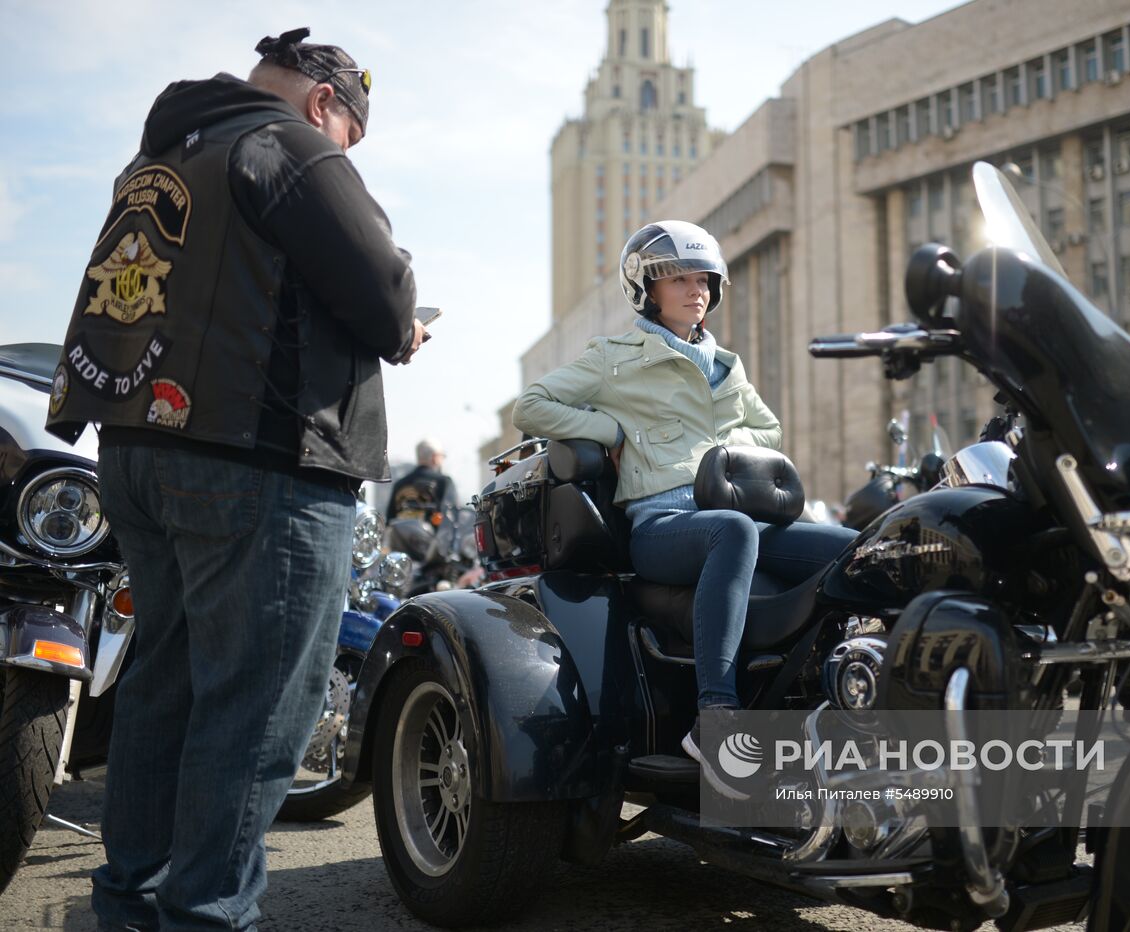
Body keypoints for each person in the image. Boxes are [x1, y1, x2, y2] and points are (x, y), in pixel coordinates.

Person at [45, 28, 423, 930]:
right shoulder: (288, 143)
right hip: (258, 460)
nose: (346, 154)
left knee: (163, 690)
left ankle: (131, 905)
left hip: (141, 449)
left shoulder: (164, 153)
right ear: (325, 102)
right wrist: (407, 330)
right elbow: (383, 294)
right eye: (351, 137)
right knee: (254, 711)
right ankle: (210, 916)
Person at [513, 220, 857, 798]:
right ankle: (716, 718)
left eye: (703, 280)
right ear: (647, 288)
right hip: (663, 525)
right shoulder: (614, 357)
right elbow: (533, 405)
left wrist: (728, 459)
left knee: (859, 546)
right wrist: (609, 428)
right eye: (678, 280)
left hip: (739, 514)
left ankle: (850, 700)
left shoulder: (728, 365)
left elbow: (768, 431)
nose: (696, 290)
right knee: (733, 534)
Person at [388, 437, 458, 520]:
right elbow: (453, 515)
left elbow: (390, 518)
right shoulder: (444, 482)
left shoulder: (399, 484)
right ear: (434, 457)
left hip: (402, 532)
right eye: (441, 456)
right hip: (435, 532)